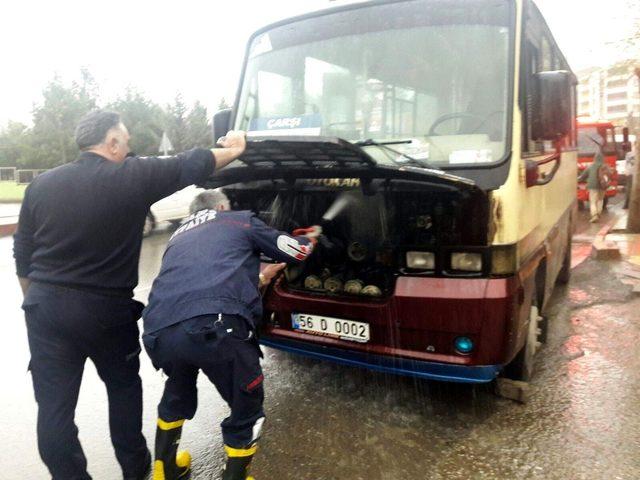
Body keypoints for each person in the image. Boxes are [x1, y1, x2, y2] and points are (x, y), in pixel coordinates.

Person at [13, 110, 246, 480]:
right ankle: (137, 473)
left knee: (54, 411)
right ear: (113, 143)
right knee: (123, 392)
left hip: (45, 308)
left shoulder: (41, 185)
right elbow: (190, 164)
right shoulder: (130, 176)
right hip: (105, 310)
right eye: (126, 143)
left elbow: (22, 256)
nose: (129, 150)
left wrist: (39, 302)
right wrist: (234, 149)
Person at [141, 190, 316, 480]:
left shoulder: (179, 235)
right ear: (222, 207)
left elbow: (204, 279)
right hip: (217, 328)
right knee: (246, 407)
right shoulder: (238, 221)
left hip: (160, 330)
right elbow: (296, 252)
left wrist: (261, 278)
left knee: (177, 389)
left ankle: (165, 469)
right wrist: (310, 238)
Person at [578, 138, 609, 223]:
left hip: (592, 186)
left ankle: (594, 215)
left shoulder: (590, 166)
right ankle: (598, 213)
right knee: (600, 200)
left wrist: (578, 180)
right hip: (602, 186)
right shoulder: (605, 166)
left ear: (595, 158)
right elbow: (610, 175)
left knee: (593, 201)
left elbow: (583, 176)